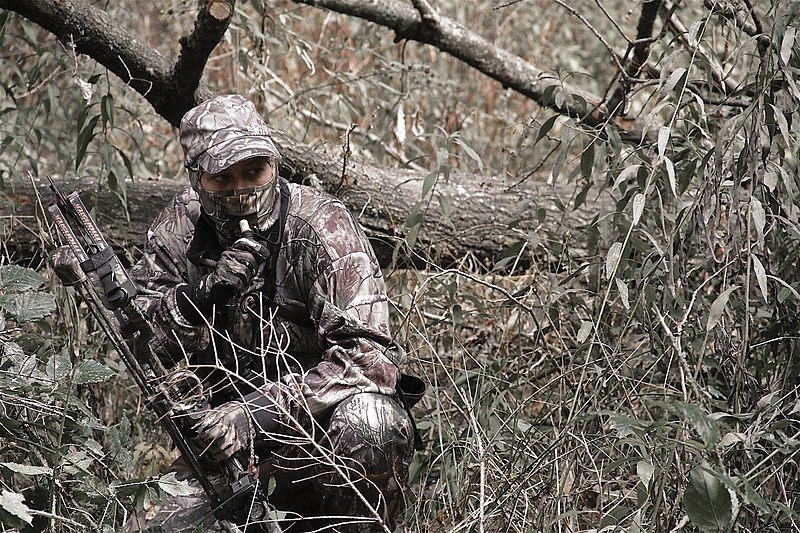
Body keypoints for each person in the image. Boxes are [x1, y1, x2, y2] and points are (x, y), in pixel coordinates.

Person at [121, 94, 421, 532]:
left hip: (319, 432)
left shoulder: (321, 226)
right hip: (222, 449)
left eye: (253, 172)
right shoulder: (177, 229)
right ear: (196, 178)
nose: (241, 192)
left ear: (273, 167)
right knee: (152, 526)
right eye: (223, 178)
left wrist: (254, 414)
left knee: (372, 423)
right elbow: (137, 338)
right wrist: (199, 296)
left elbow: (369, 360)